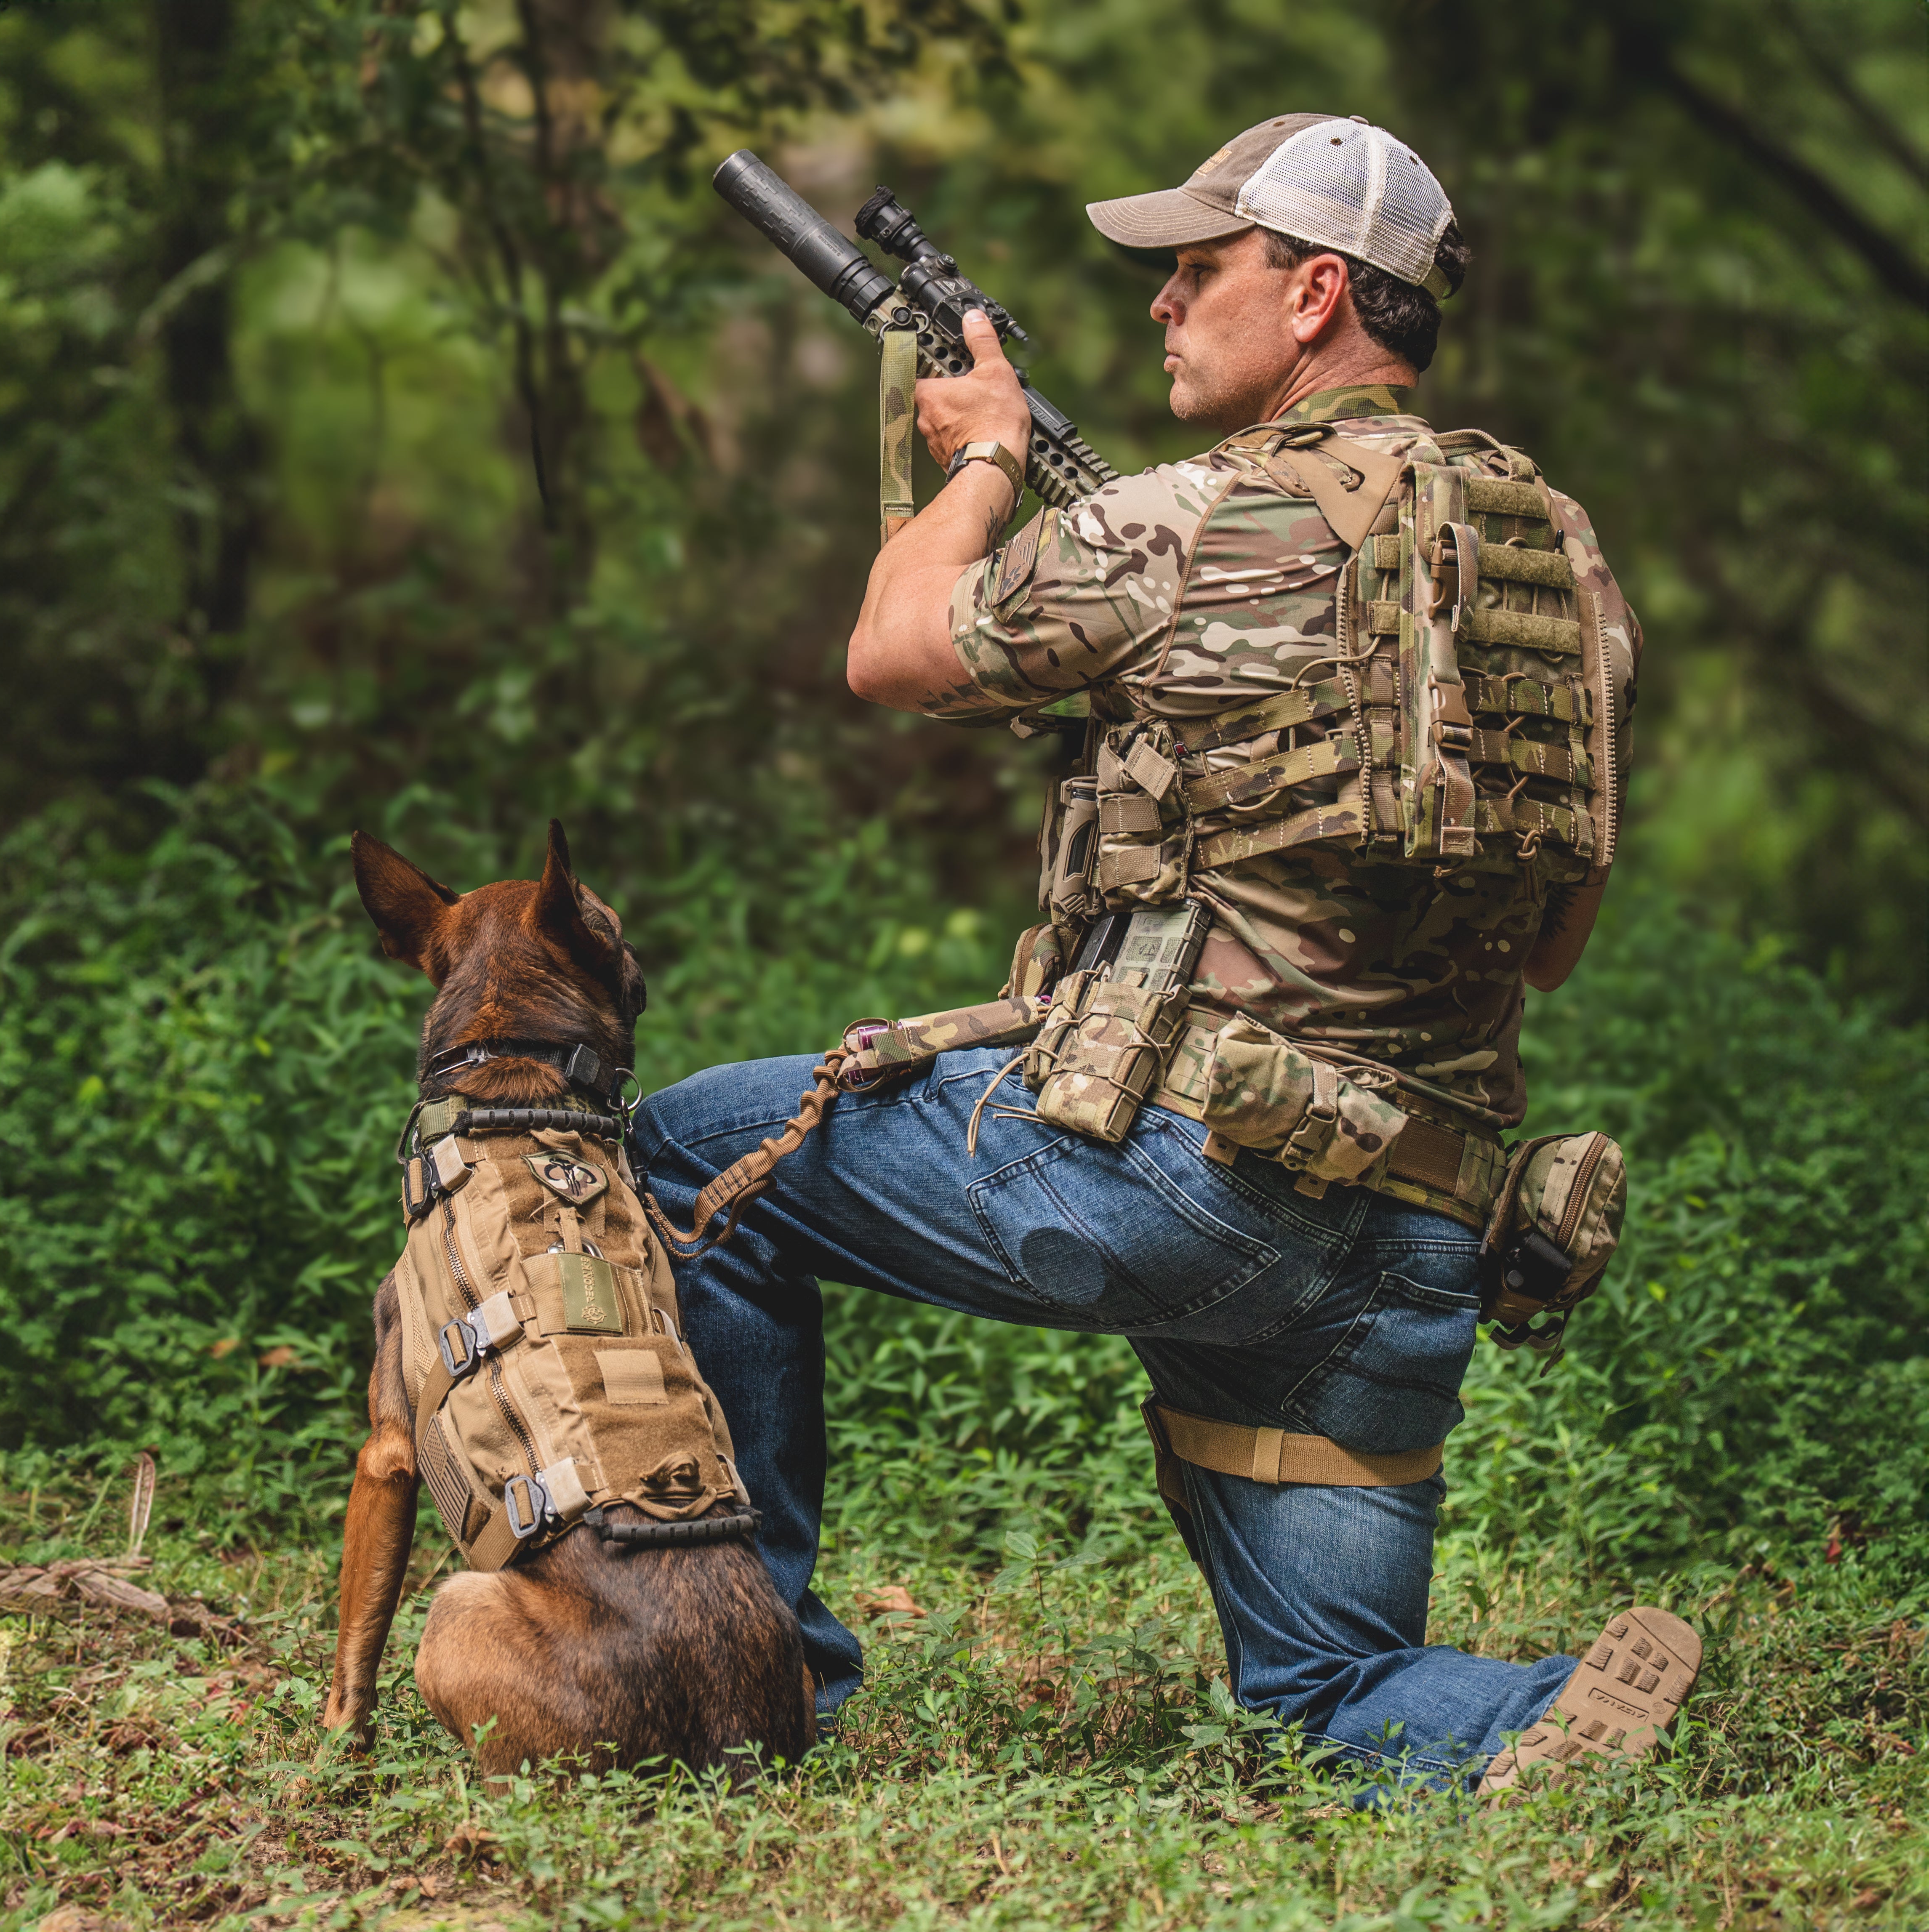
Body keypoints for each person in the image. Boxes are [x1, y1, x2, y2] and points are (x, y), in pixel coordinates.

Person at [633, 113, 1693, 1794]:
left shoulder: (1189, 520)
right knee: (1324, 1694)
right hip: (1423, 1235)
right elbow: (1553, 945)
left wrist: (985, 454)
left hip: (1186, 1187)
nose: (1163, 303)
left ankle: (763, 1681)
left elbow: (891, 649)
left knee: (693, 1155)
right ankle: (1534, 1719)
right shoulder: (1557, 560)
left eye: (1200, 268)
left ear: (1314, 293)